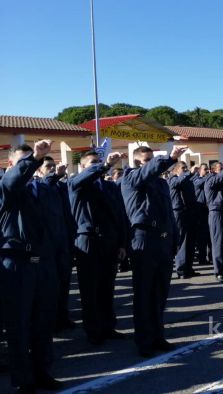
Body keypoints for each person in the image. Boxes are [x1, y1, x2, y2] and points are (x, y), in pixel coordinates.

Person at [0, 140, 63, 391]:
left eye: (32, 160)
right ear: (10, 164)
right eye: (23, 160)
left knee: (43, 322)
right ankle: (23, 380)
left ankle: (42, 371)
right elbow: (13, 180)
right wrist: (34, 157)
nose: (30, 164)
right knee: (18, 325)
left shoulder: (41, 189)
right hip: (17, 263)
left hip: (43, 262)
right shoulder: (5, 186)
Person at [121, 145, 187, 358]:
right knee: (144, 294)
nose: (150, 163)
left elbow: (168, 212)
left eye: (152, 159)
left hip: (163, 241)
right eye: (147, 159)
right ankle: (144, 340)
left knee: (160, 294)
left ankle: (158, 335)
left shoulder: (161, 183)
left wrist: (175, 239)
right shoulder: (131, 178)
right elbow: (146, 172)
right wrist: (170, 157)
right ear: (138, 162)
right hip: (144, 240)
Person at [69, 151, 129, 346]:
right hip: (88, 241)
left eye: (98, 162)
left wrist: (121, 243)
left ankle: (108, 327)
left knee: (106, 288)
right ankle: (93, 331)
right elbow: (84, 179)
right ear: (83, 167)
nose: (97, 166)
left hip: (109, 240)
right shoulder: (77, 184)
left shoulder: (110, 186)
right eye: (92, 163)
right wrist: (103, 166)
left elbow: (119, 215)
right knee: (90, 289)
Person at [38, 157, 77, 331]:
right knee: (48, 287)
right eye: (48, 167)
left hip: (64, 242)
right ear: (38, 171)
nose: (53, 169)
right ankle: (49, 320)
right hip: (47, 245)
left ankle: (62, 316)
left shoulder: (62, 187)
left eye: (54, 166)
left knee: (64, 283)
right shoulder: (37, 188)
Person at [168, 161, 200, 279]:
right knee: (183, 241)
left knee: (190, 241)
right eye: (183, 168)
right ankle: (181, 269)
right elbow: (177, 183)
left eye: (186, 167)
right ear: (175, 170)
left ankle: (188, 267)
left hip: (189, 212)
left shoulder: (186, 179)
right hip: (179, 212)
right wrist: (189, 173)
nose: (185, 169)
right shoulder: (172, 179)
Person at [191, 164, 212, 266]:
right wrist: (208, 176)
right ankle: (202, 258)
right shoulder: (196, 179)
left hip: (209, 209)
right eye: (205, 169)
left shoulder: (208, 179)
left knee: (210, 235)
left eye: (208, 169)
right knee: (202, 236)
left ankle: (211, 256)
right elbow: (198, 184)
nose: (207, 171)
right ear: (199, 170)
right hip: (200, 210)